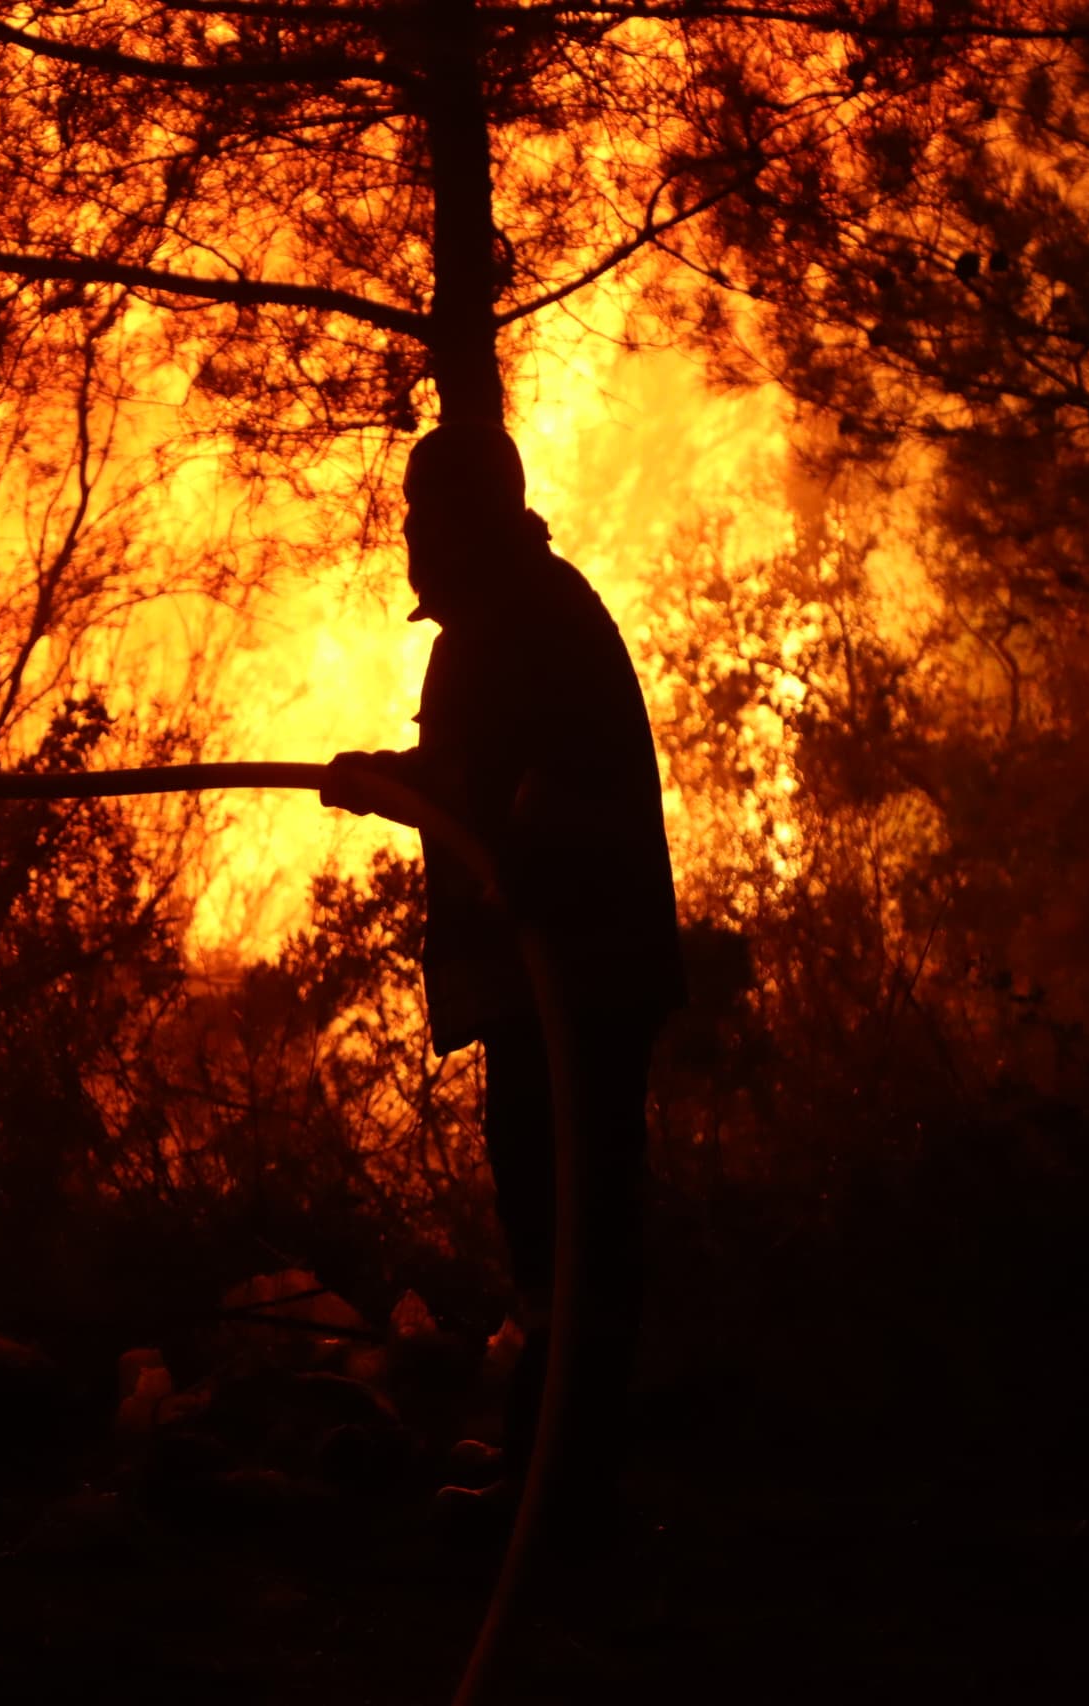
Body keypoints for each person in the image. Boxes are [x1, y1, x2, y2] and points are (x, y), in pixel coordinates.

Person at [321, 423, 685, 1544]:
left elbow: (522, 802)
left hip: (576, 984)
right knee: (557, 1235)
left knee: (569, 1241)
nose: (410, 536)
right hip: (561, 985)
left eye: (425, 514)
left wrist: (411, 792)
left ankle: (557, 1510)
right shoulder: (513, 614)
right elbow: (475, 776)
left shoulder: (520, 622)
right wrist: (389, 779)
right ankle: (550, 1479)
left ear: (470, 517)